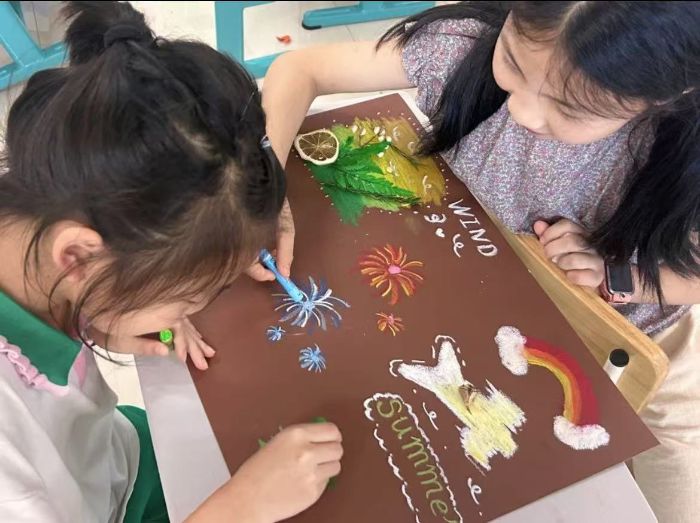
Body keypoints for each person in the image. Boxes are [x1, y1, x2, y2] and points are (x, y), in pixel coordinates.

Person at [262, 2, 700, 521]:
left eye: (571, 108)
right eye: (513, 61)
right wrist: (263, 195)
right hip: (487, 296)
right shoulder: (465, 46)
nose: (524, 112)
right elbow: (300, 69)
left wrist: (617, 274)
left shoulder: (678, 146)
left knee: (671, 495)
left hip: (640, 337)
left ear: (664, 96)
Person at [0, 2, 341, 522]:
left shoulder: (36, 231)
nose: (191, 314)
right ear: (78, 258)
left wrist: (96, 318)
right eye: (185, 300)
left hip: (119, 463)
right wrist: (240, 509)